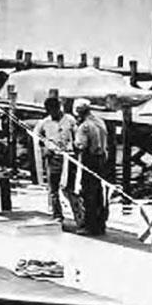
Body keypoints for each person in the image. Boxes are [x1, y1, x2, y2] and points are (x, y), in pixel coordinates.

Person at [32, 96, 81, 222]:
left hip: (68, 158)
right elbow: (36, 138)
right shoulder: (44, 123)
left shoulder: (70, 120)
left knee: (69, 189)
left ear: (59, 108)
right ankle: (57, 214)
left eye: (54, 109)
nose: (52, 112)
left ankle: (79, 216)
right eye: (50, 110)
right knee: (53, 189)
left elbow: (77, 138)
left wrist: (75, 153)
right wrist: (44, 149)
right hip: (53, 158)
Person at [73, 98, 109, 235]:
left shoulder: (85, 126)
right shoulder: (100, 122)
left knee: (88, 193)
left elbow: (81, 145)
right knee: (100, 192)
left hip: (90, 159)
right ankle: (101, 224)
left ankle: (90, 225)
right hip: (103, 158)